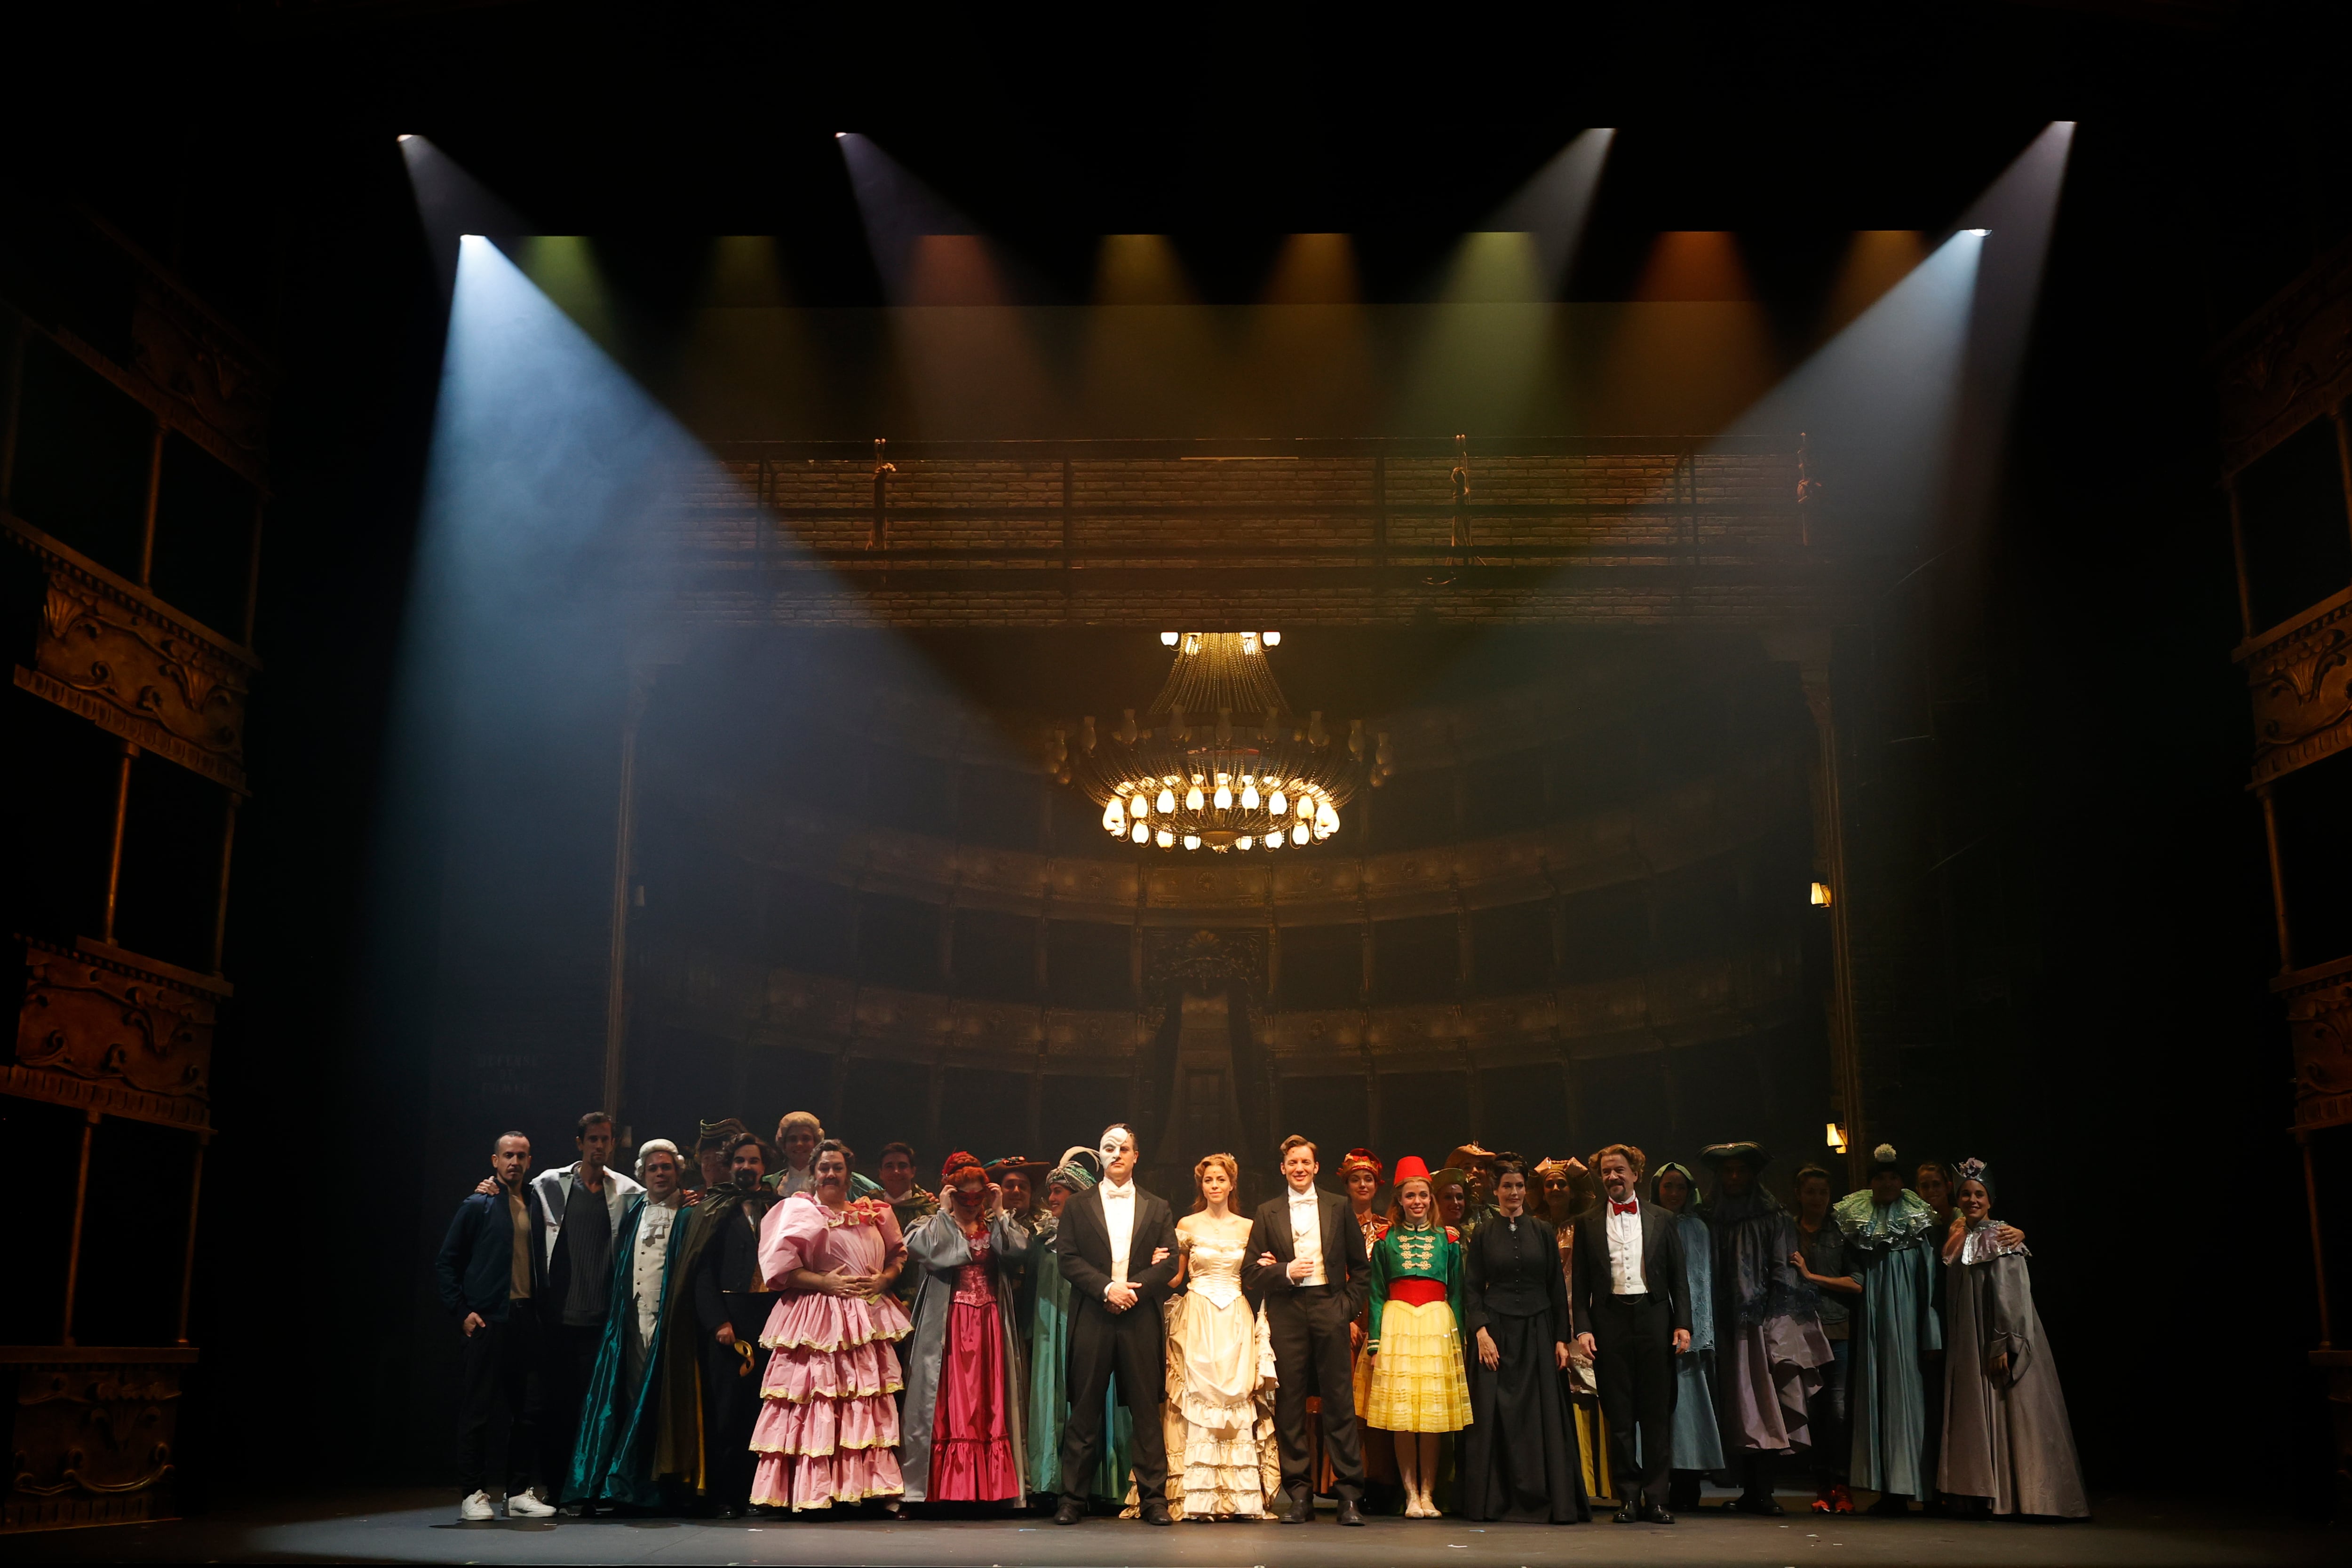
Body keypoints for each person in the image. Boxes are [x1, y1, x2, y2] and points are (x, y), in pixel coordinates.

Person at [751, 1138, 912, 1512]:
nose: (831, 1174)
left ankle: (864, 1490)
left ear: (849, 1174)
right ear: (812, 1174)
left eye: (838, 1168)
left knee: (864, 1400)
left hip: (866, 1316)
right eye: (824, 1168)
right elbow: (781, 1272)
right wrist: (825, 1282)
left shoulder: (874, 1213)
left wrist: (885, 1280)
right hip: (818, 1314)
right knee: (816, 1398)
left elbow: (898, 1256)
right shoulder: (800, 1211)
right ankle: (812, 1491)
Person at [1937, 1160, 2087, 1520]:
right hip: (1969, 1338)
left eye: (1979, 1194)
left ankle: (2022, 1495)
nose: (1973, 1200)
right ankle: (1985, 1493)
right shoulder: (1960, 1237)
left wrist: (2003, 1343)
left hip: (1996, 1335)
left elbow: (2012, 1295)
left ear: (1990, 1199)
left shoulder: (2001, 1237)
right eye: (1966, 1194)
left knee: (2010, 1406)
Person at [1051, 1123, 1181, 1527]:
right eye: (1110, 1148)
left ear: (1136, 1156)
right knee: (1084, 1408)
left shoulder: (1157, 1207)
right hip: (1093, 1314)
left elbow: (1171, 1264)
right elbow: (1068, 1259)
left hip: (1139, 1317)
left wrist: (1134, 1292)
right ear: (1101, 1155)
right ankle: (1073, 1499)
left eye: (1125, 1148)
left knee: (1145, 1409)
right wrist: (1107, 1289)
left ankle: (1154, 1499)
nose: (1118, 1154)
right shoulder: (1078, 1205)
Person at [1700, 1140, 1833, 1515]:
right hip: (1719, 1324)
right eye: (1727, 1171)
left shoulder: (1773, 1217)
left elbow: (1783, 1268)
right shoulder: (1708, 1215)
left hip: (1759, 1323)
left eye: (1741, 1170)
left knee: (1764, 1402)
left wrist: (1778, 1320)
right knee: (1734, 1405)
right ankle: (1747, 1490)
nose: (1734, 1176)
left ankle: (1764, 1490)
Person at [1244, 1135, 1369, 1526]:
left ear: (1316, 1167)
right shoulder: (1267, 1212)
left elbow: (1361, 1270)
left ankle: (1349, 1495)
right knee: (1291, 1403)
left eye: (1305, 1162)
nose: (1299, 1168)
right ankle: (1299, 1494)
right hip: (1287, 1310)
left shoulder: (1338, 1205)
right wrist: (1283, 1271)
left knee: (1338, 1401)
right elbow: (1250, 1273)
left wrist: (1343, 1308)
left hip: (1328, 1306)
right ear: (1283, 1169)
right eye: (1292, 1163)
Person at [564, 1139, 692, 1512]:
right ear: (643, 1175)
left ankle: (658, 1486)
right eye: (653, 1169)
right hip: (632, 1319)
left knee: (662, 1400)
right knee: (632, 1396)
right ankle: (627, 1482)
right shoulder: (634, 1210)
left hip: (669, 1320)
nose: (660, 1174)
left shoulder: (688, 1211)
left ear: (677, 1172)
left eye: (666, 1167)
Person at [1460, 1153, 1586, 1524]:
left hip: (1538, 1331)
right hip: (1496, 1333)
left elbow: (1554, 1286)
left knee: (1540, 1416)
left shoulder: (1543, 1232)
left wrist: (1562, 1339)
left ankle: (1549, 1501)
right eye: (1506, 1187)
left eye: (1518, 1186)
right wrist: (1481, 1332)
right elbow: (1471, 1289)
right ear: (1496, 1191)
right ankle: (1493, 1501)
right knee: (1495, 1417)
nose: (1513, 1193)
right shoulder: (1482, 1233)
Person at [900, 1152, 1031, 1508]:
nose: (972, 1205)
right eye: (964, 1197)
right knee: (950, 1402)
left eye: (978, 1197)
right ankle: (943, 1489)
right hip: (950, 1326)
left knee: (987, 1402)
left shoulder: (996, 1228)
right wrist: (944, 1213)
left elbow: (1019, 1250)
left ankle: (988, 1489)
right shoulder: (931, 1226)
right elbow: (934, 1253)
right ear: (950, 1194)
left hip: (989, 1323)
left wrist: (1000, 1210)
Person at [437, 1132, 556, 1521]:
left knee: (528, 1411)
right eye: (508, 1156)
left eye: (521, 1156)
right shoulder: (479, 1204)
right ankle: (473, 1492)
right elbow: (447, 1262)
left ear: (529, 1161)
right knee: (479, 1411)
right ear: (494, 1161)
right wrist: (462, 1312)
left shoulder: (535, 1204)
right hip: (489, 1319)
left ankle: (519, 1491)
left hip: (526, 1319)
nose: (514, 1163)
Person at [530, 1112, 645, 1512]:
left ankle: (589, 1489)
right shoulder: (549, 1184)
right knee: (555, 1407)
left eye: (606, 1140)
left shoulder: (628, 1190)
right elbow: (515, 1197)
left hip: (601, 1322)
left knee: (594, 1409)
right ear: (580, 1143)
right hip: (558, 1319)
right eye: (593, 1139)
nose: (600, 1146)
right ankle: (556, 1487)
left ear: (614, 1144)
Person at [1571, 1143, 1690, 1525]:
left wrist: (1682, 1324)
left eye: (1619, 1170)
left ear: (1636, 1173)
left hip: (1653, 1315)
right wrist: (1584, 1329)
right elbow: (1582, 1283)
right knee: (1619, 1414)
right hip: (1609, 1319)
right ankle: (1628, 1498)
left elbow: (1678, 1278)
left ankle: (1657, 1498)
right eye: (1606, 1172)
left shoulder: (1662, 1219)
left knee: (1656, 1413)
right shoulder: (1588, 1221)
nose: (1612, 1177)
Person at [1157, 1151, 1279, 1519]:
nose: (1214, 1186)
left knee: (1236, 1396)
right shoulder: (1187, 1224)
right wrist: (1155, 1265)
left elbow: (1255, 1272)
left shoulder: (1248, 1226)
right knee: (1199, 1396)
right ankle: (1199, 1498)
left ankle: (1237, 1498)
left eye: (1220, 1180)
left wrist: (1270, 1267)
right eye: (1208, 1180)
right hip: (1199, 1313)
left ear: (1231, 1184)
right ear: (1202, 1185)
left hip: (1235, 1316)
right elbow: (1176, 1278)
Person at [1834, 1144, 1944, 1516]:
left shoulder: (1918, 1224)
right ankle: (1891, 1491)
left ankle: (1926, 1488)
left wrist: (1930, 1333)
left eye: (1893, 1177)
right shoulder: (1863, 1224)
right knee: (1879, 1399)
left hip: (1910, 1327)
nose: (1887, 1183)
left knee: (1912, 1401)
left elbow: (1930, 1282)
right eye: (1880, 1178)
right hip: (1875, 1324)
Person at [1028, 1149, 1137, 1509]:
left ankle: (1101, 1484)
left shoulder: (1098, 1236)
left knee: (1094, 1401)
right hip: (1051, 1331)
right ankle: (1051, 1482)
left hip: (1091, 1323)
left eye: (1062, 1191)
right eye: (1052, 1191)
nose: (1054, 1198)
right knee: (1053, 1397)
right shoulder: (1041, 1236)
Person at [1363, 1156, 1470, 1518]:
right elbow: (1377, 1294)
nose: (1418, 1202)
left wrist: (1459, 1338)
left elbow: (1456, 1293)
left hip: (1436, 1327)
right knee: (1404, 1415)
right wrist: (1376, 1342)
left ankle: (1429, 1493)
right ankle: (1410, 1494)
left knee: (1433, 1418)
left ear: (1432, 1199)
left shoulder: (1448, 1239)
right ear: (1399, 1201)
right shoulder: (1384, 1240)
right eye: (1410, 1196)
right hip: (1398, 1326)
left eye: (1423, 1195)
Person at [691, 1132, 779, 1516]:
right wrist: (718, 1322)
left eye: (754, 1161)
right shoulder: (715, 1208)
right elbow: (702, 1271)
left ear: (765, 1166)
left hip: (772, 1316)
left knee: (763, 1410)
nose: (747, 1167)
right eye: (740, 1161)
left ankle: (757, 1493)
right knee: (726, 1410)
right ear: (729, 1166)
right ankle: (723, 1494)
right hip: (730, 1317)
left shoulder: (780, 1207)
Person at [1537, 1156, 1613, 1505]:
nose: (1555, 1188)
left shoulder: (1583, 1226)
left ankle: (1596, 1481)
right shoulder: (1534, 1226)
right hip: (1545, 1315)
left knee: (1587, 1392)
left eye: (1561, 1184)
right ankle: (1563, 1478)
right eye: (1549, 1184)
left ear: (1572, 1191)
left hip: (1578, 1311)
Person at [1650, 1161, 1724, 1511]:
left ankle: (1688, 1481)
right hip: (1655, 1328)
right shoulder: (1648, 1223)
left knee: (1692, 1408)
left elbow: (1703, 1280)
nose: (1674, 1193)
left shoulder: (1699, 1228)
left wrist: (1698, 1329)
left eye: (1680, 1187)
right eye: (1668, 1187)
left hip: (1691, 1336)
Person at [1789, 1163, 1861, 1514]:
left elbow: (1857, 1282)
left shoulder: (1840, 1232)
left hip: (1837, 1329)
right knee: (1813, 1411)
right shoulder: (1788, 1231)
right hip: (1800, 1331)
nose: (1817, 1198)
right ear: (1799, 1195)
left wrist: (1810, 1275)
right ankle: (1821, 1486)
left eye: (1823, 1192)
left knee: (1838, 1411)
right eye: (1811, 1192)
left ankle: (1842, 1485)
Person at [1336, 1149, 1401, 1505]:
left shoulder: (1387, 1229)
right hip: (1342, 1316)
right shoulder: (1334, 1220)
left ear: (1378, 1185)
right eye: (1355, 1179)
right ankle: (1348, 1479)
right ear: (1346, 1185)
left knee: (1379, 1398)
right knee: (1347, 1401)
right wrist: (1344, 1317)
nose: (1362, 1185)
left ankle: (1382, 1480)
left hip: (1378, 1317)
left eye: (1368, 1179)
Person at [766, 1110, 885, 1201]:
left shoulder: (851, 1182)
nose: (799, 1144)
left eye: (806, 1139)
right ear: (784, 1145)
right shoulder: (769, 1184)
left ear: (816, 1143)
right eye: (793, 1139)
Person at [1446, 1142, 1500, 1238]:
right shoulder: (1450, 1212)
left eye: (1480, 1167)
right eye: (1467, 1167)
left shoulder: (1499, 1214)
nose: (1475, 1171)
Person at [692, 1119, 751, 1197]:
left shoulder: (745, 1198)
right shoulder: (691, 1198)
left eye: (719, 1157)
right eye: (707, 1158)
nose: (712, 1164)